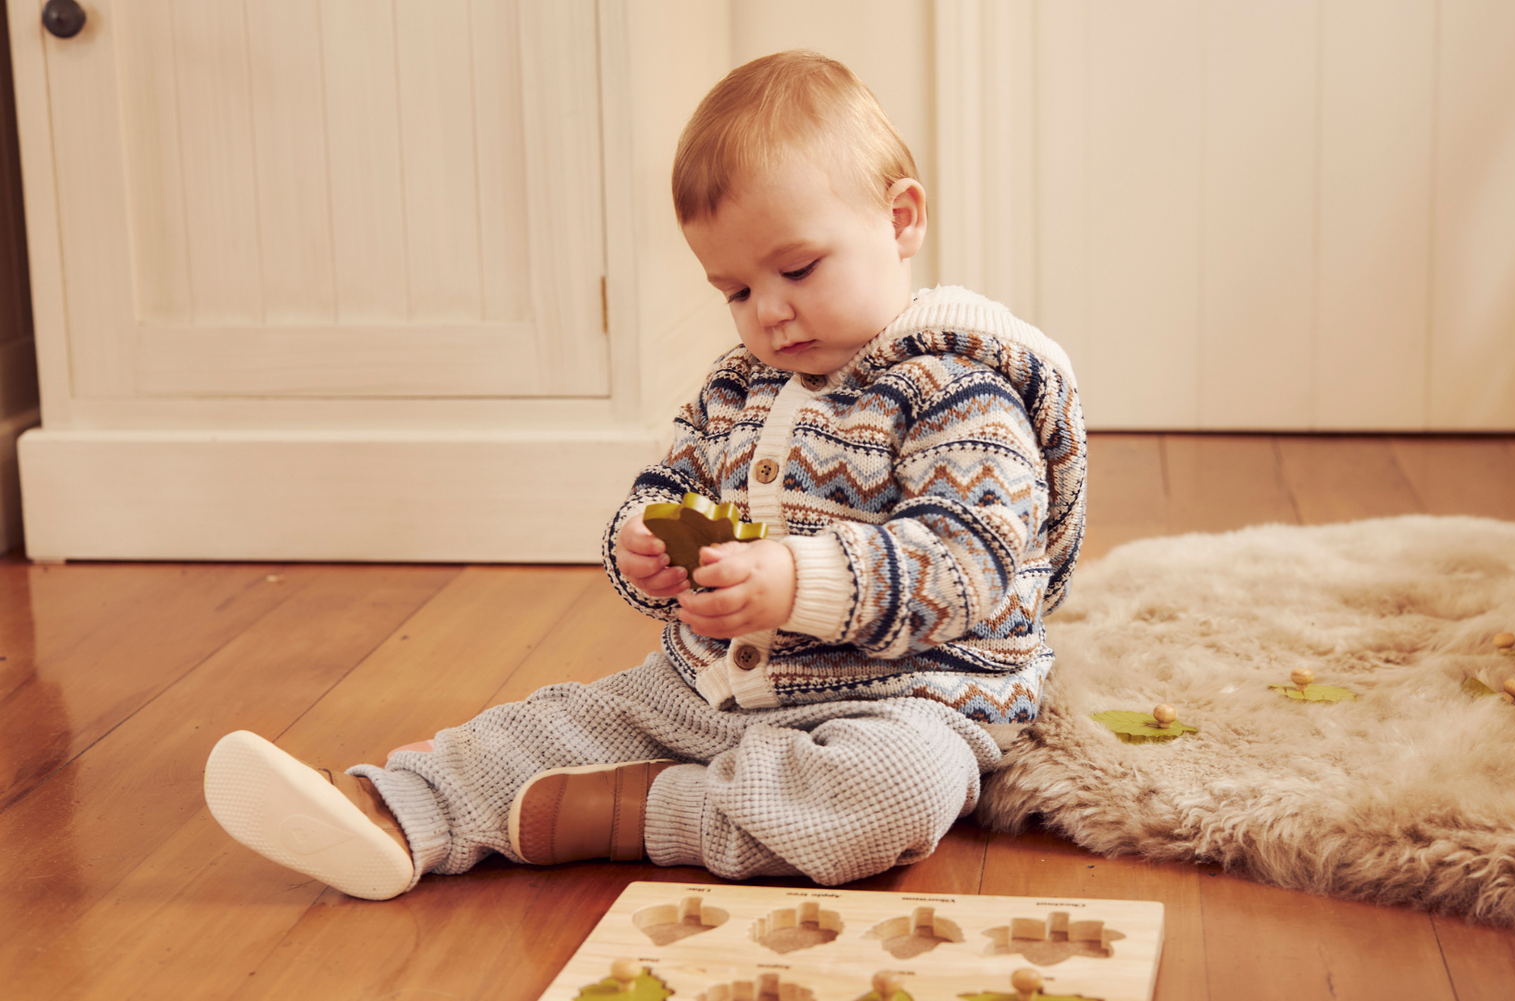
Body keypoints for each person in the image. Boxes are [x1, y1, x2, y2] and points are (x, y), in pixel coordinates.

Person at [203, 49, 1086, 899]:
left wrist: (801, 581)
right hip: (711, 685)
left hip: (902, 698)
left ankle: (650, 810)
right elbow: (672, 486)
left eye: (798, 268)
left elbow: (975, 561)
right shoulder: (738, 387)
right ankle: (391, 809)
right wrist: (646, 545)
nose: (768, 312)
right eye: (734, 290)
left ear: (900, 221)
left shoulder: (962, 393)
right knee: (553, 719)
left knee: (894, 792)